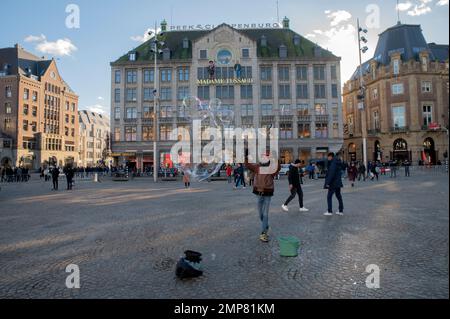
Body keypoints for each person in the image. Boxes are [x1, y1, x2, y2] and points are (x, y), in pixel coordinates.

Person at [245, 153, 281, 243]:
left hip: (268, 193)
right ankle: (266, 226)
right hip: (259, 193)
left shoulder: (271, 169)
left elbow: (278, 167)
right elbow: (247, 165)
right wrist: (246, 156)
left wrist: (275, 158)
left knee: (265, 214)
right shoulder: (257, 167)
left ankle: (263, 233)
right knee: (260, 214)